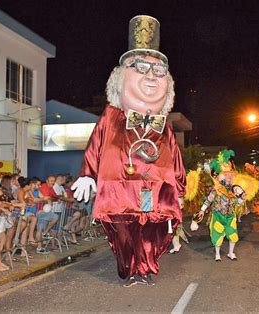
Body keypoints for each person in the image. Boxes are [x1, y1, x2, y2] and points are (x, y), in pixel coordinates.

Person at [72, 16, 186, 287]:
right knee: (124, 233)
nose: (150, 76)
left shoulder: (165, 125)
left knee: (150, 232)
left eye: (158, 71)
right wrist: (87, 173)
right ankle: (129, 268)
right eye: (141, 67)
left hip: (155, 192)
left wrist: (180, 189)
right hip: (118, 190)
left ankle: (146, 268)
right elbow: (96, 142)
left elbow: (176, 158)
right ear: (120, 79)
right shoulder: (111, 115)